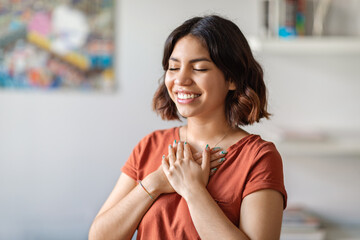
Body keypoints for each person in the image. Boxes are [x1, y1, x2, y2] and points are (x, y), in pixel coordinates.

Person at [89, 15, 287, 240]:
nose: (180, 79)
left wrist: (192, 190)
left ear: (232, 79)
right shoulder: (149, 146)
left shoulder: (259, 157)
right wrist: (154, 183)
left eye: (199, 69)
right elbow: (99, 237)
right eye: (173, 68)